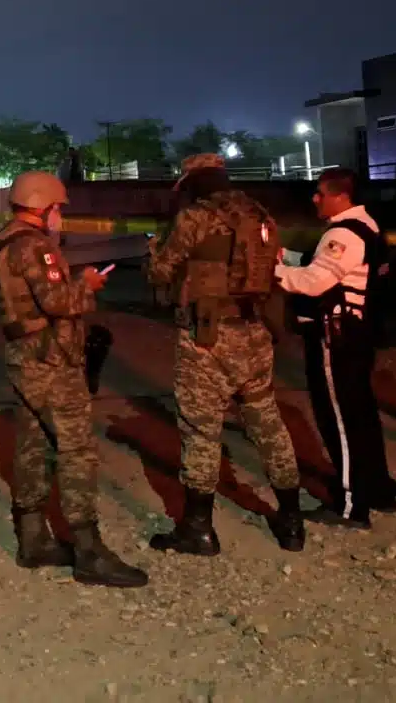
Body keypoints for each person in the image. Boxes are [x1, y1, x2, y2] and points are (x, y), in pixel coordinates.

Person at [0, 170, 148, 588]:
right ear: (44, 207)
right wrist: (87, 284)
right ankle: (89, 551)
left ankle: (33, 538)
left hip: (26, 356)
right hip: (50, 361)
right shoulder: (34, 247)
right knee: (77, 451)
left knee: (33, 447)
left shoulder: (3, 240)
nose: (60, 216)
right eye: (58, 208)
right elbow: (58, 302)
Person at [146, 153, 306, 555]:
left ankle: (198, 530)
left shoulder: (194, 218)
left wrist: (152, 250)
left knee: (201, 431)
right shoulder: (261, 215)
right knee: (269, 425)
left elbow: (160, 273)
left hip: (208, 338)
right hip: (255, 334)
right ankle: (291, 522)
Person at [275, 167, 396, 528]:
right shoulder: (367, 227)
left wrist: (272, 271)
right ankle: (378, 490)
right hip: (358, 335)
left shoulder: (343, 233)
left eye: (320, 193)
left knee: (340, 421)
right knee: (361, 415)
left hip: (336, 338)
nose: (315, 199)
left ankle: (350, 505)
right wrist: (285, 255)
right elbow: (327, 266)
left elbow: (314, 282)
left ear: (340, 196)